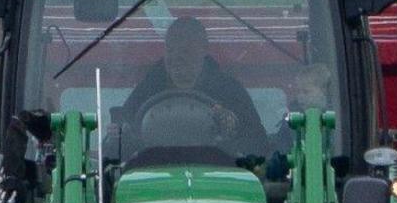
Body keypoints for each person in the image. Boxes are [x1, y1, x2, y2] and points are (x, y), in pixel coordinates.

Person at [115, 13, 276, 161]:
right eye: (171, 50)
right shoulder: (148, 88)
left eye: (186, 50)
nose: (178, 58)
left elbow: (257, 144)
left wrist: (231, 129)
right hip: (156, 174)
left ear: (204, 50)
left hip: (218, 175)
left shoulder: (229, 91)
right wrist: (119, 135)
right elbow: (122, 134)